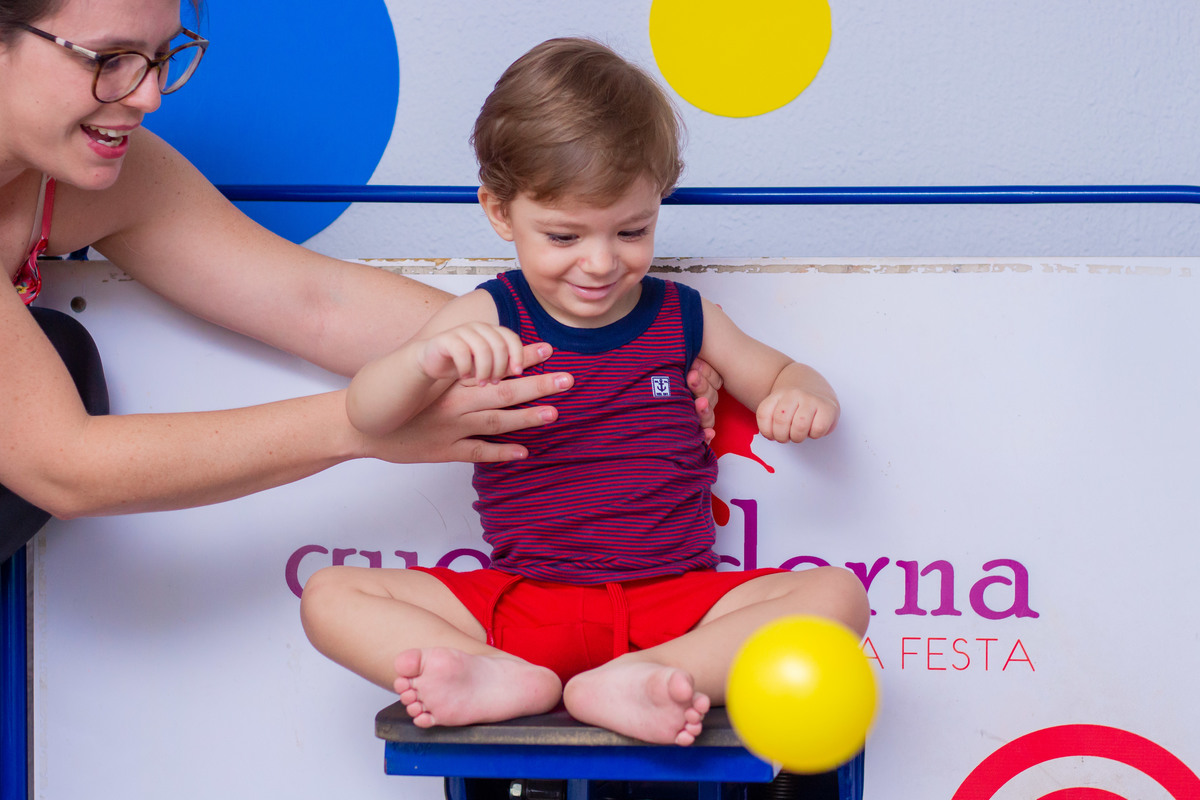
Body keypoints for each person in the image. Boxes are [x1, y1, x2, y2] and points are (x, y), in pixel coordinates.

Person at [0, 0, 723, 563]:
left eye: (161, 57)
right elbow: (65, 466)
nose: (149, 95)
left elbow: (315, 302)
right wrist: (362, 423)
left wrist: (615, 363)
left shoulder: (96, 172)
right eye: (109, 58)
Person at [299, 37, 870, 748]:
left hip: (675, 603)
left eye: (632, 230)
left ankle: (653, 676)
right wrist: (426, 359)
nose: (601, 263)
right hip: (522, 607)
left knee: (838, 597)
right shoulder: (487, 314)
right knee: (330, 596)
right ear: (500, 213)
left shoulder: (684, 316)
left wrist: (801, 396)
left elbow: (781, 374)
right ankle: (496, 675)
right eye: (564, 235)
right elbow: (368, 413)